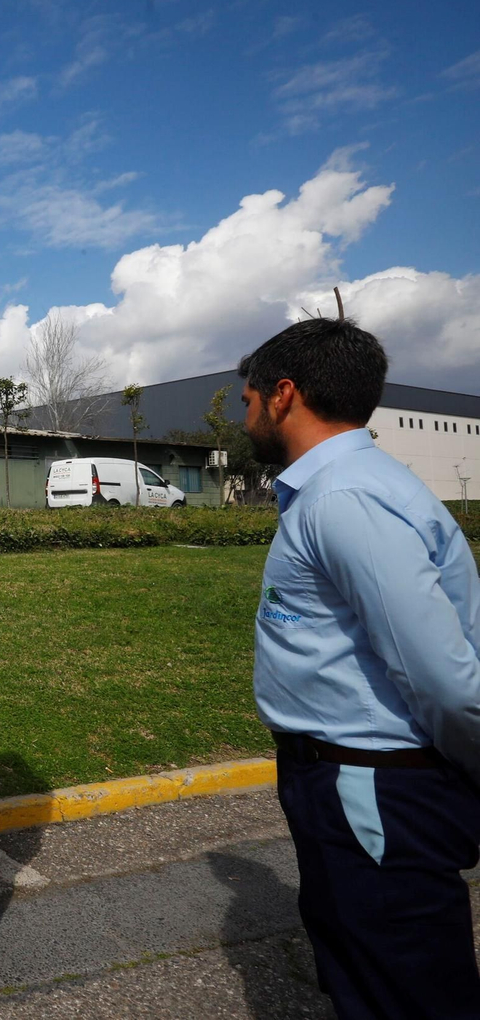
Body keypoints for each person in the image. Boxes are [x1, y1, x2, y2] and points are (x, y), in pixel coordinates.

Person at [241, 317, 480, 1019]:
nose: (246, 414)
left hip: (374, 789)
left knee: (404, 989)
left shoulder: (344, 498)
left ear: (284, 394)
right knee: (366, 976)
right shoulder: (340, 487)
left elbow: (441, 677)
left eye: (250, 399)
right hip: (348, 781)